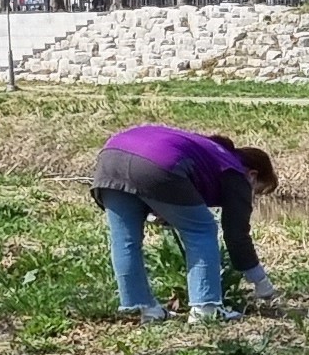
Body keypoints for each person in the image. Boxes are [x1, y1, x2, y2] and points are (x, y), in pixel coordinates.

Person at [91, 125, 279, 325]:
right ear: (252, 175)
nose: (252, 198)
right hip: (157, 163)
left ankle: (146, 309)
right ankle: (206, 308)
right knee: (202, 230)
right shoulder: (236, 171)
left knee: (124, 239)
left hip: (111, 158)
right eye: (257, 192)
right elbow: (236, 235)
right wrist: (260, 281)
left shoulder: (210, 153)